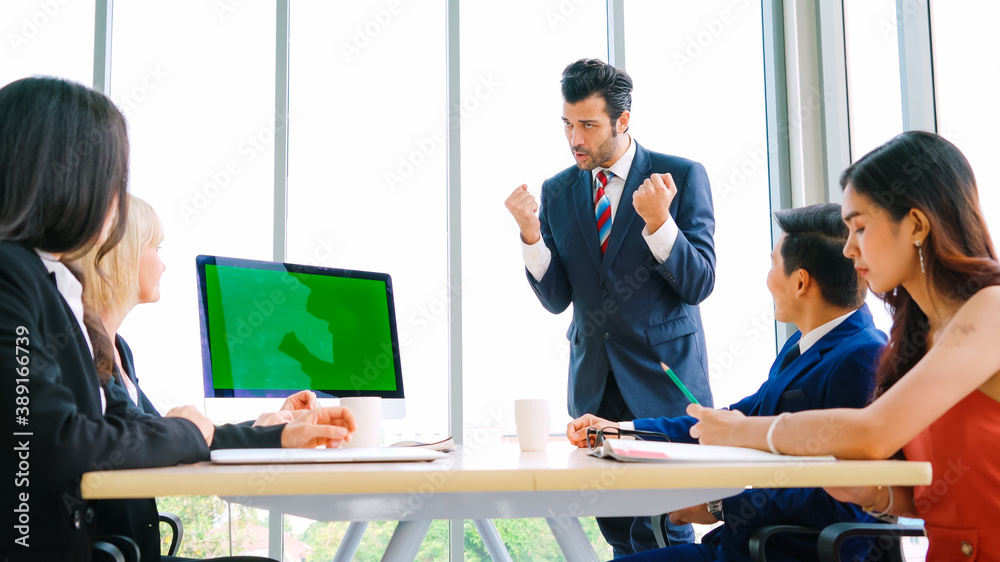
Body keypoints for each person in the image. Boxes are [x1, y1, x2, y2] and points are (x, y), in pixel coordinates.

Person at [0, 77, 355, 562]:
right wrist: (187, 430)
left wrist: (274, 435)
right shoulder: (11, 273)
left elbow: (126, 427)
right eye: (111, 180)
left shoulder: (55, 286)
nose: (115, 202)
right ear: (61, 177)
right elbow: (52, 443)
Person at [689, 131, 1000, 559]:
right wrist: (877, 495)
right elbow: (938, 495)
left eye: (859, 227)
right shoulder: (917, 339)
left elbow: (873, 432)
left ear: (916, 225)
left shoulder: (992, 310)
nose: (849, 249)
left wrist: (745, 431)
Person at [568, 203, 886, 561]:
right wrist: (622, 430)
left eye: (773, 264)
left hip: (782, 553)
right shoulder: (803, 347)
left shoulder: (863, 357)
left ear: (800, 282)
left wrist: (720, 506)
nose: (768, 278)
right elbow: (729, 421)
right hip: (745, 544)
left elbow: (845, 497)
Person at [504, 58, 716, 554]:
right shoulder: (558, 190)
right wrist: (531, 236)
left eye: (588, 125)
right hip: (594, 388)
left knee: (666, 527)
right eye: (567, 124)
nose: (575, 139)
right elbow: (557, 298)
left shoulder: (680, 176)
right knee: (617, 530)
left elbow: (699, 282)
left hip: (662, 386)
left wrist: (661, 224)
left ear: (623, 121)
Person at [79, 195, 319, 561]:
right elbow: (159, 440)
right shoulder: (80, 349)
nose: (163, 264)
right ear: (121, 253)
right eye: (155, 248)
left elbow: (165, 437)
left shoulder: (120, 350)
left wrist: (269, 429)